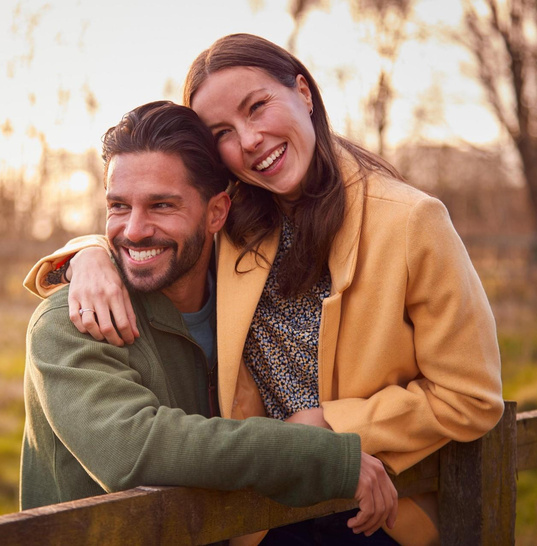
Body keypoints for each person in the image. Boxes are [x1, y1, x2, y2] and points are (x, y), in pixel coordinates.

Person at [26, 35, 504, 546]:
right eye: (223, 132)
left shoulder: (410, 222)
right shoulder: (243, 221)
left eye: (257, 107)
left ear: (304, 91)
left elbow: (470, 396)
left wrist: (327, 427)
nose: (249, 139)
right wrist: (89, 255)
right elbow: (155, 215)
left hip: (373, 506)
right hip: (258, 515)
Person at [20, 101, 398, 541]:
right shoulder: (69, 320)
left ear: (217, 212)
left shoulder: (247, 305)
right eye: (119, 206)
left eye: (161, 205)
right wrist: (327, 459)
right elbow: (135, 451)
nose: (134, 229)